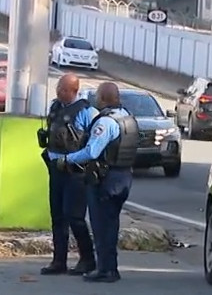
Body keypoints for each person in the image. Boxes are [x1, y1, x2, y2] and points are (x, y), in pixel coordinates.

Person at [54, 82, 139, 283]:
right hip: (124, 177)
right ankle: (109, 267)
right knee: (111, 224)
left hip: (106, 180)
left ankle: (106, 270)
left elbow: (92, 151)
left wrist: (66, 159)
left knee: (101, 227)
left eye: (98, 96)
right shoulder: (127, 117)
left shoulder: (106, 122)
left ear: (102, 98)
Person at [38, 73, 99, 276]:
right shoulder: (55, 107)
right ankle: (58, 261)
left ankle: (88, 259)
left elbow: (93, 144)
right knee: (57, 217)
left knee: (75, 217)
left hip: (76, 172)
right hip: (55, 168)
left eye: (63, 89)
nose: (59, 92)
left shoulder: (87, 112)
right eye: (58, 88)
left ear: (74, 91)